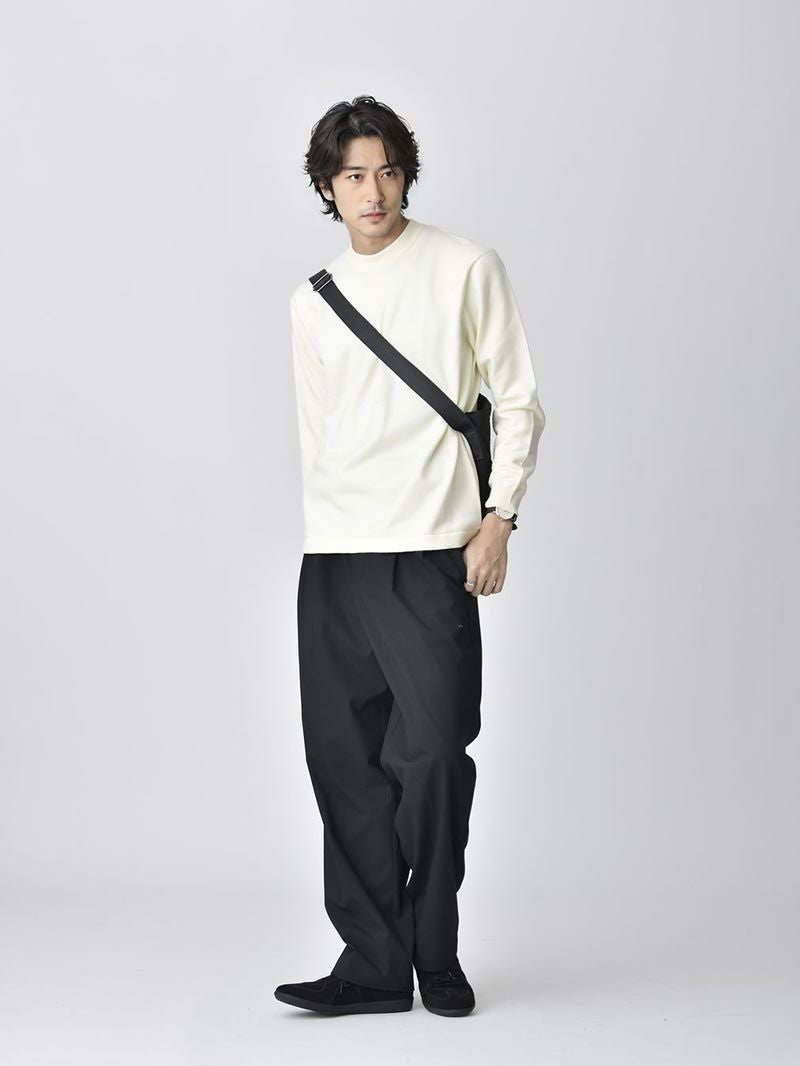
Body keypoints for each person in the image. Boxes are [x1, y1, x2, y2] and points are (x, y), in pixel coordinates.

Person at [274, 95, 546, 1018]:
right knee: (343, 761)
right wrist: (324, 541)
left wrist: (500, 517)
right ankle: (373, 965)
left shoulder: (465, 267)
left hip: (430, 550)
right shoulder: (313, 301)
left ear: (406, 175)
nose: (373, 192)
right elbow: (321, 436)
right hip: (335, 557)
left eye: (387, 171)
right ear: (327, 187)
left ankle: (436, 950)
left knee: (432, 757)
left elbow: (519, 400)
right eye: (353, 175)